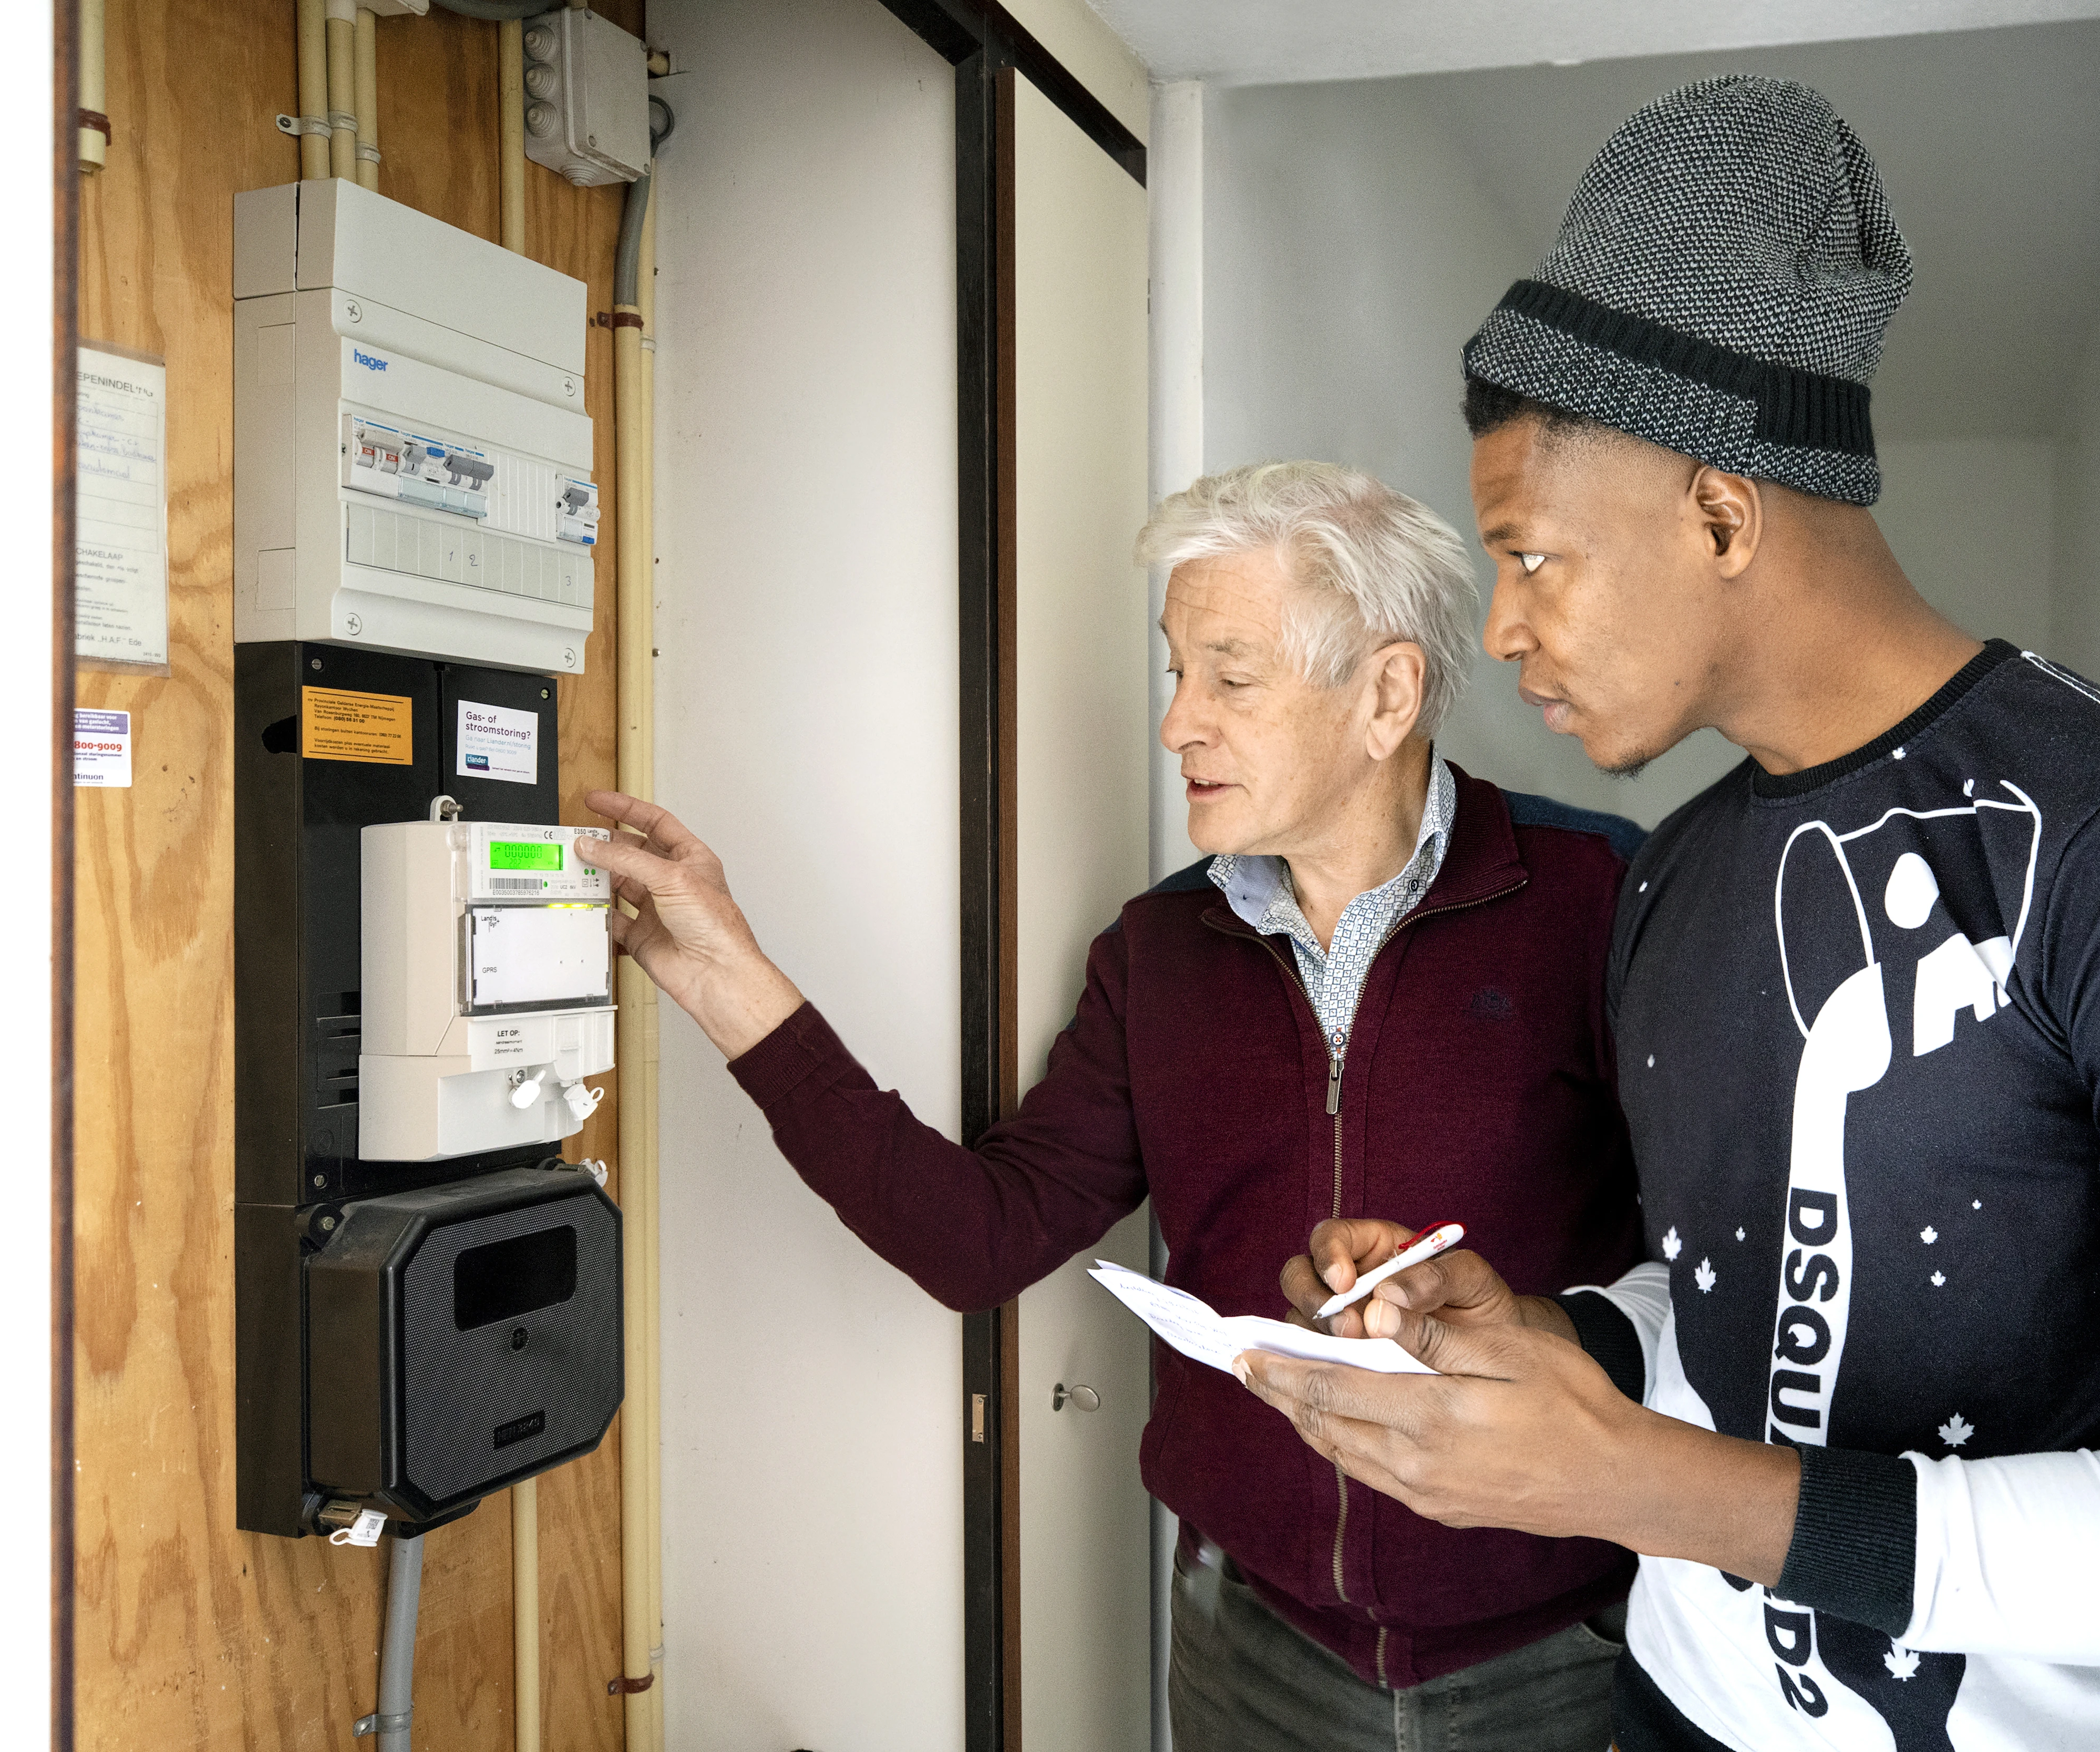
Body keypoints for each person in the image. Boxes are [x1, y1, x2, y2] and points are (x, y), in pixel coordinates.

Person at [1239, 76, 2100, 1752]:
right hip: (1678, 1714)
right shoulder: (1676, 879)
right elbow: (1740, 1294)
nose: (1501, 631)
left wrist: (1661, 1486)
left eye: (1533, 557)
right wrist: (1557, 1334)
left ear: (1720, 510)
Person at [576, 460, 1652, 1748]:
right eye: (1175, 673)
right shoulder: (1159, 952)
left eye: (1231, 678)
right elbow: (976, 1238)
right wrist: (726, 979)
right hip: (1249, 1649)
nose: (1177, 724)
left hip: (1561, 1656)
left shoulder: (1601, 904)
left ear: (1386, 693)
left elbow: (1724, 1280)